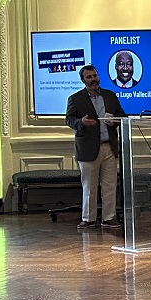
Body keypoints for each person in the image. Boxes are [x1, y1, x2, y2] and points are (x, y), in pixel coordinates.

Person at [65, 64, 127, 230]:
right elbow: (69, 120)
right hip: (88, 148)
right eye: (89, 77)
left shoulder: (110, 95)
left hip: (109, 146)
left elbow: (122, 114)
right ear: (83, 80)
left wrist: (114, 119)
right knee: (89, 186)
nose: (93, 79)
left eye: (95, 76)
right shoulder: (75, 98)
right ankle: (88, 219)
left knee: (110, 185)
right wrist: (81, 123)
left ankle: (109, 218)